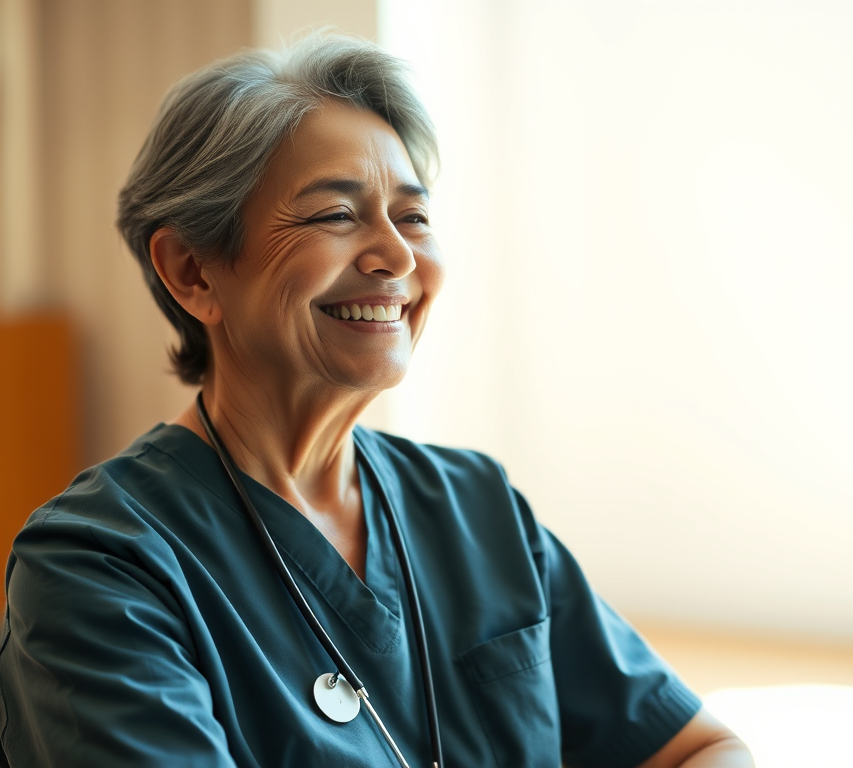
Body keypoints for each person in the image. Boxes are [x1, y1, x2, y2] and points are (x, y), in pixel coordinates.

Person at [0, 32, 753, 768]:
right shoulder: (99, 567)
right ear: (193, 271)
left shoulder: (477, 506)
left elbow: (700, 746)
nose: (396, 255)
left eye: (414, 217)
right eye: (336, 214)